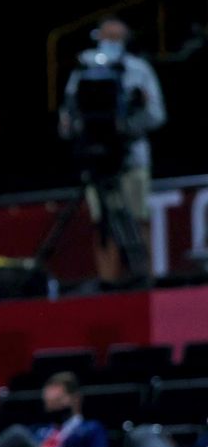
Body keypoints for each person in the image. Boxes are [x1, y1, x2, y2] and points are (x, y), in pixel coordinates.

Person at [60, 16, 167, 284]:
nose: (110, 42)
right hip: (95, 159)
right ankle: (109, 284)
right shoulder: (83, 69)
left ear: (125, 41)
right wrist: (73, 125)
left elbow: (157, 115)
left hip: (131, 158)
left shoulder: (138, 69)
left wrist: (125, 124)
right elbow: (69, 115)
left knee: (137, 220)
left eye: (115, 38)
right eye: (106, 37)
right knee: (103, 224)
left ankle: (144, 281)